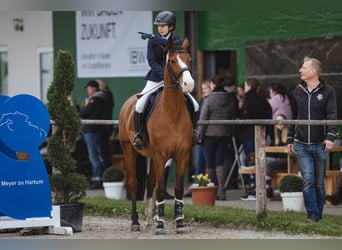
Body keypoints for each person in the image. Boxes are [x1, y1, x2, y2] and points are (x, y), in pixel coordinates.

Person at [133, 11, 199, 150]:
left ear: (171, 27)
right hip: (156, 79)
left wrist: (153, 37)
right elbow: (151, 60)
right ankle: (139, 134)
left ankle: (193, 132)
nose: (160, 28)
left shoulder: (178, 41)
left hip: (175, 81)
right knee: (140, 104)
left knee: (195, 104)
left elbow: (168, 44)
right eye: (158, 26)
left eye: (163, 25)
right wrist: (163, 75)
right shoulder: (152, 41)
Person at [287, 56, 337, 222]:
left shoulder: (328, 91)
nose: (300, 70)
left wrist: (330, 136)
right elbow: (293, 116)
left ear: (313, 71)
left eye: (303, 67)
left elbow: (332, 115)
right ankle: (312, 215)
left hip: (320, 144)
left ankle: (318, 214)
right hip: (301, 143)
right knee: (307, 180)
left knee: (319, 183)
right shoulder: (297, 91)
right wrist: (289, 138)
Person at [198, 75, 237, 200]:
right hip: (224, 135)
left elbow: (203, 120)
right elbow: (233, 117)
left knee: (209, 164)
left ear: (213, 85)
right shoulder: (230, 100)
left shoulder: (209, 100)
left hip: (209, 135)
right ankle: (221, 190)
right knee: (220, 163)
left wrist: (199, 137)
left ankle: (210, 190)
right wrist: (229, 133)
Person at [239, 78, 272, 201]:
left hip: (249, 135)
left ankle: (254, 190)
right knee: (260, 162)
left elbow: (246, 117)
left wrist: (239, 128)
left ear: (249, 86)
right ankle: (262, 190)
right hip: (263, 135)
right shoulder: (263, 99)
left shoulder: (249, 100)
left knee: (253, 162)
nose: (244, 88)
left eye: (246, 85)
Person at [79, 80, 108, 190]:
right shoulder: (98, 99)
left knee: (95, 156)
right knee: (96, 155)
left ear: (93, 88)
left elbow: (83, 113)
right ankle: (99, 178)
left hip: (92, 130)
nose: (87, 90)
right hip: (93, 130)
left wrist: (85, 105)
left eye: (88, 88)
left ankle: (97, 179)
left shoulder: (96, 100)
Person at [192, 80, 213, 181]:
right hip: (201, 133)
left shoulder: (211, 100)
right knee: (199, 162)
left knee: (206, 162)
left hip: (206, 134)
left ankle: (201, 183)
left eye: (205, 88)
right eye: (202, 88)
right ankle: (197, 183)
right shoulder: (201, 101)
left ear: (211, 88)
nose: (203, 90)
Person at [265, 114, 289, 200]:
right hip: (277, 160)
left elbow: (284, 154)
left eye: (281, 121)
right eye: (277, 121)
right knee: (263, 161)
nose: (279, 123)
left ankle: (267, 189)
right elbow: (271, 153)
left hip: (288, 160)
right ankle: (258, 188)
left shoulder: (289, 133)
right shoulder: (275, 135)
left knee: (269, 164)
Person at [96, 79, 115, 170]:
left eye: (98, 84)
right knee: (103, 150)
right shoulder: (105, 95)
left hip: (104, 126)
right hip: (104, 126)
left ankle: (107, 171)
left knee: (103, 151)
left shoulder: (105, 95)